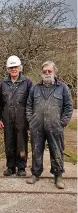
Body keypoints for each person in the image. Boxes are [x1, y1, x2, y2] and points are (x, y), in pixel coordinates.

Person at [26, 61, 73, 189]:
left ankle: (58, 176)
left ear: (54, 72)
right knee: (36, 150)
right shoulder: (35, 88)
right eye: (45, 71)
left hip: (55, 126)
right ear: (42, 72)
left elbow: (69, 107)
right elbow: (29, 105)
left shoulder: (62, 88)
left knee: (57, 150)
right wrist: (31, 121)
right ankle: (35, 173)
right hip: (37, 126)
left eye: (49, 71)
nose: (47, 74)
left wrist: (62, 122)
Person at [0, 56, 33, 176]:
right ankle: (10, 167)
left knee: (21, 142)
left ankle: (21, 168)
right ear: (7, 69)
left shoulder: (27, 83)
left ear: (20, 67)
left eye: (15, 67)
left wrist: (30, 119)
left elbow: (31, 102)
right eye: (11, 67)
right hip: (7, 118)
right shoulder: (3, 84)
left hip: (22, 118)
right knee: (9, 142)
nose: (13, 69)